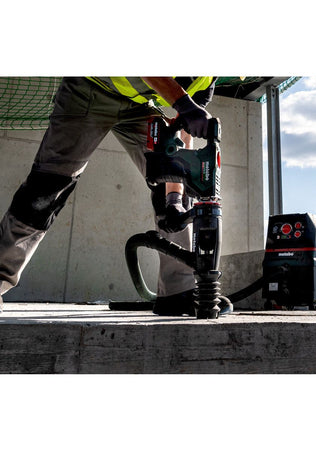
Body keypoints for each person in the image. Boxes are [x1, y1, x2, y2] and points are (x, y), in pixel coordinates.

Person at [0, 76, 228, 316]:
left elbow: (183, 133)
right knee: (45, 191)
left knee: (174, 175)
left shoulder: (207, 78)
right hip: (90, 89)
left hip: (138, 105)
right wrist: (185, 104)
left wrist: (173, 201)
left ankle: (178, 292)